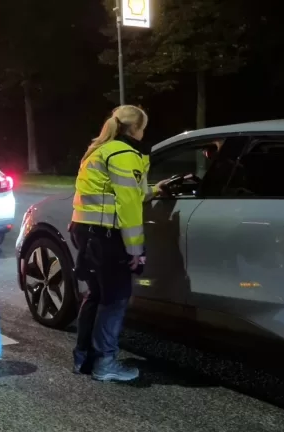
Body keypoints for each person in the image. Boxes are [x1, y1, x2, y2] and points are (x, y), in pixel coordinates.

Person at [69, 105, 165, 382]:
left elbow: (118, 193)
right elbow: (128, 203)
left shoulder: (100, 150)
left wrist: (158, 189)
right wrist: (135, 250)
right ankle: (105, 363)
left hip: (87, 231)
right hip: (107, 237)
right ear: (135, 128)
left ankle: (83, 359)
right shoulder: (124, 155)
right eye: (143, 127)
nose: (144, 132)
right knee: (115, 300)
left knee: (96, 296)